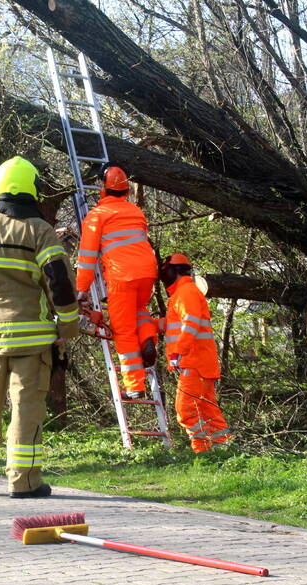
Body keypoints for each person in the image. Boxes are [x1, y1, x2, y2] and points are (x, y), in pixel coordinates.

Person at [0, 156, 79, 498]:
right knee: (27, 407)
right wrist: (68, 325)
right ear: (32, 189)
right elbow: (59, 282)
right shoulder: (40, 230)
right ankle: (24, 482)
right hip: (32, 341)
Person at [75, 164, 158, 400]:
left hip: (122, 276)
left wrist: (82, 289)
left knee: (123, 331)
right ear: (126, 189)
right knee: (140, 310)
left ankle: (134, 385)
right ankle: (148, 339)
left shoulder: (97, 216)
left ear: (103, 187)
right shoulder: (136, 211)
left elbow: (87, 257)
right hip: (147, 272)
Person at [158, 253, 231, 452]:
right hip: (199, 363)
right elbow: (175, 324)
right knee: (209, 411)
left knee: (185, 411)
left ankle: (202, 450)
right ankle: (223, 449)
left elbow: (191, 323)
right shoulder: (182, 294)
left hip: (194, 362)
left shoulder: (186, 292)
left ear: (175, 270)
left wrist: (177, 353)